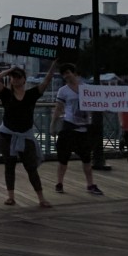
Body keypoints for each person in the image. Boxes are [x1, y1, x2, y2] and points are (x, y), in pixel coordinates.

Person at [0, 62, 56, 208]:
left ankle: (41, 198)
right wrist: (9, 70)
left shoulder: (31, 94)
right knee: (9, 166)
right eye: (13, 77)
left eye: (18, 77)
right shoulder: (6, 94)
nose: (15, 79)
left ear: (24, 79)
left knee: (31, 167)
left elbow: (46, 81)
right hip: (6, 135)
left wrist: (53, 65)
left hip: (25, 136)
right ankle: (10, 197)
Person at [51, 63, 103, 196]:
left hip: (84, 128)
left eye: (68, 72)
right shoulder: (63, 90)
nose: (66, 75)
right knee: (63, 158)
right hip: (69, 127)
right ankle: (59, 183)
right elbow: (58, 108)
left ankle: (90, 184)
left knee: (86, 159)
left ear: (74, 73)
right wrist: (53, 125)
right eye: (64, 74)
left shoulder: (87, 89)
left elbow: (98, 103)